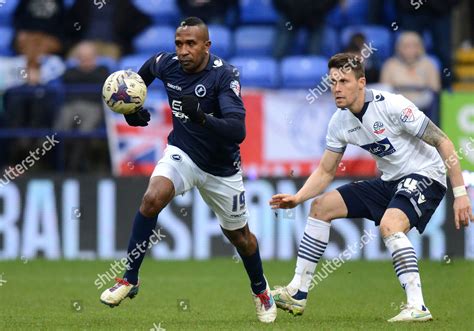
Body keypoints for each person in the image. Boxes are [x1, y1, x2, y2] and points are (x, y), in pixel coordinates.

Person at [269, 53, 472, 322]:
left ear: (362, 82)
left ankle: (417, 306)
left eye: (344, 81)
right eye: (332, 82)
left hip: (426, 176)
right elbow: (326, 171)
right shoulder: (340, 122)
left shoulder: (393, 105)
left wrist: (459, 194)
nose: (337, 88)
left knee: (390, 224)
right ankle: (298, 291)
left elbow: (443, 141)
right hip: (390, 181)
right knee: (320, 207)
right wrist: (297, 198)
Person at [99, 17, 277, 323]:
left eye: (191, 44)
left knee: (240, 238)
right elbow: (144, 75)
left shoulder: (224, 76)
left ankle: (260, 290)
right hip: (183, 153)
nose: (183, 50)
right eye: (179, 43)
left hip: (222, 168)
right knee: (151, 199)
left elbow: (238, 131)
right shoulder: (165, 64)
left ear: (206, 46)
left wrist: (203, 118)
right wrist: (133, 111)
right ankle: (129, 278)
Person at [54, 41, 109, 172]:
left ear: (95, 57)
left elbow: (98, 79)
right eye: (82, 57)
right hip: (71, 106)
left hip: (93, 107)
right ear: (77, 58)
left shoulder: (103, 70)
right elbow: (68, 78)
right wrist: (86, 74)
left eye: (88, 57)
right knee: (61, 128)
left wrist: (83, 75)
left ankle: (74, 165)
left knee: (85, 130)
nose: (85, 61)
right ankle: (61, 164)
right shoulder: (70, 71)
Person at [381, 32, 440, 115]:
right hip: (397, 104)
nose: (410, 49)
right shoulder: (389, 64)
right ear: (399, 47)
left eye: (414, 45)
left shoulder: (429, 64)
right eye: (406, 46)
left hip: (421, 103)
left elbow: (435, 88)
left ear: (421, 47)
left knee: (428, 96)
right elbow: (384, 89)